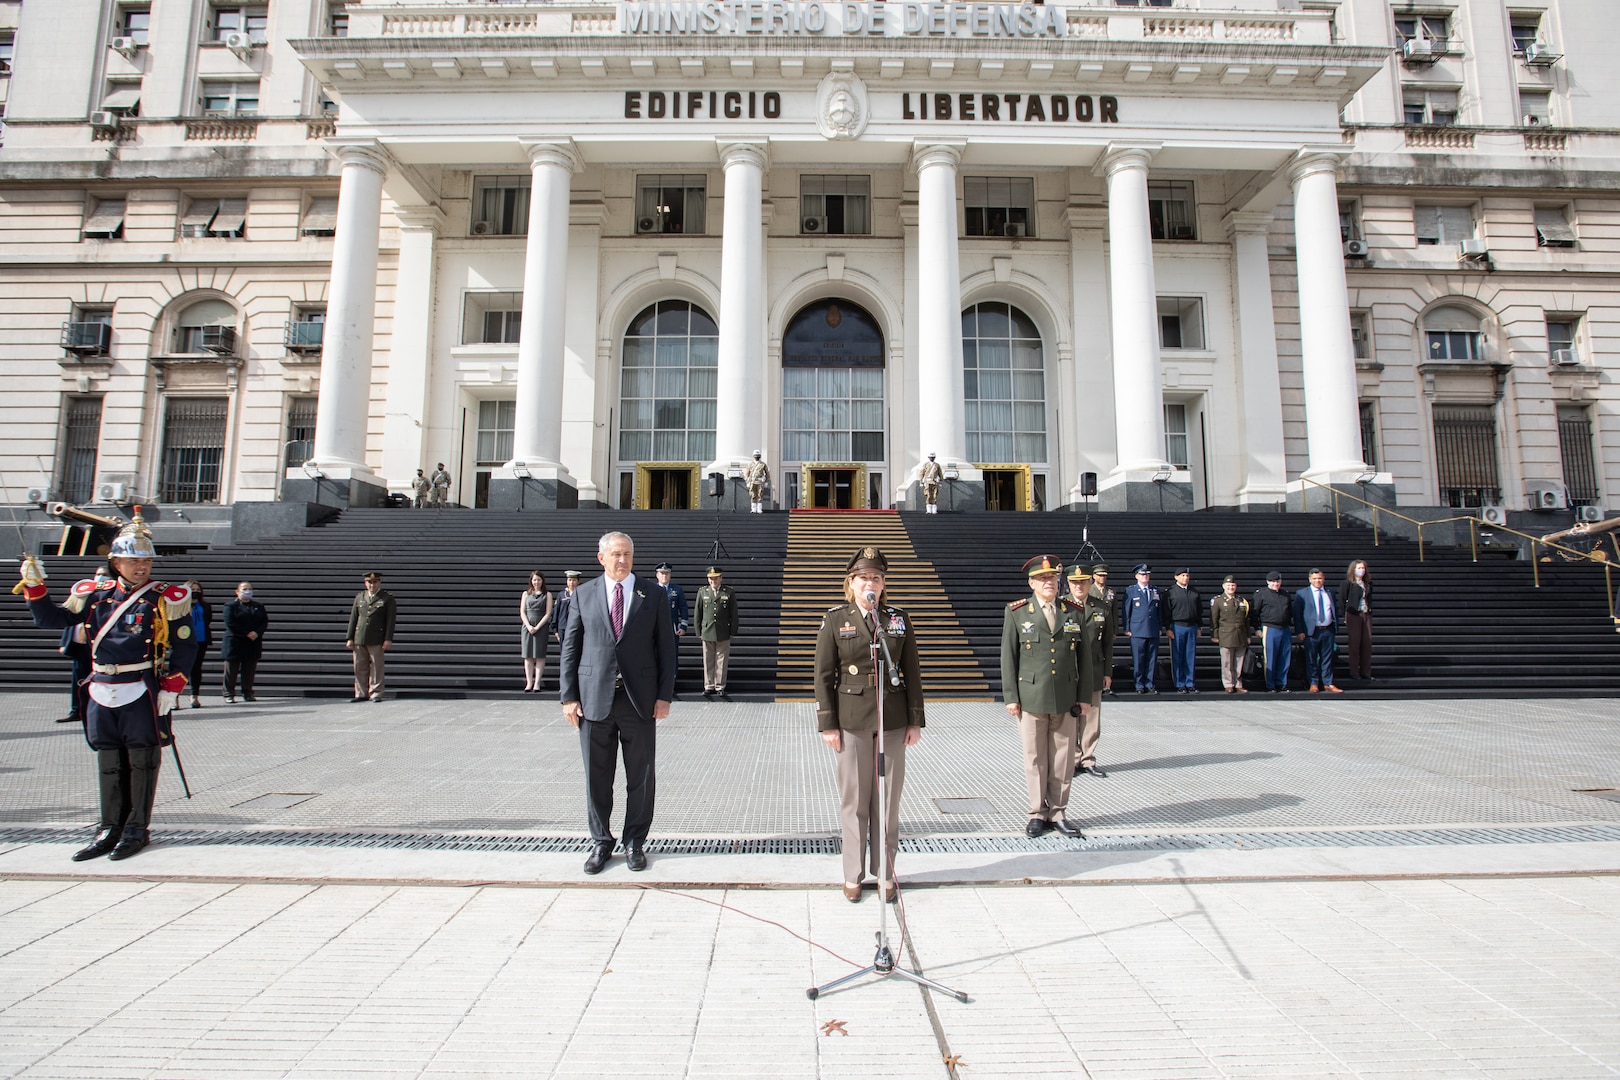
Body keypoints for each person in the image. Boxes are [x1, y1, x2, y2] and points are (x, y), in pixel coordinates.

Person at [16, 509, 197, 861]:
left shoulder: (165, 596)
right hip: (101, 683)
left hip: (141, 685)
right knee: (109, 758)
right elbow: (54, 619)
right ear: (115, 562)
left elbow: (186, 643)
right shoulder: (94, 594)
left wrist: (172, 686)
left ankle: (136, 828)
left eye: (145, 560)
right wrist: (36, 587)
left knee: (143, 758)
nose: (140, 566)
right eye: (132, 560)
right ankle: (108, 827)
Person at [559, 531, 678, 875]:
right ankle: (601, 841)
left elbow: (667, 649)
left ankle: (634, 842)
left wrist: (663, 696)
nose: (622, 560)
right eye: (615, 554)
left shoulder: (652, 594)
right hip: (594, 700)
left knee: (640, 777)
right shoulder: (583, 594)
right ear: (602, 558)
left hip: (638, 701)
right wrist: (568, 696)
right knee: (597, 776)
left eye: (627, 554)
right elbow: (570, 648)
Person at [814, 546, 925, 903]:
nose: (870, 583)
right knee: (855, 802)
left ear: (883, 583)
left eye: (876, 577)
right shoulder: (835, 619)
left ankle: (886, 872)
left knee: (888, 801)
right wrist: (828, 724)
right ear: (851, 583)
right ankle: (853, 874)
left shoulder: (897, 618)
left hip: (891, 720)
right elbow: (823, 675)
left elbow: (912, 671)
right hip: (852, 721)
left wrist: (915, 719)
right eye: (863, 578)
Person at [1002, 555, 1084, 840]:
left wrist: (1084, 696)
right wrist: (1011, 696)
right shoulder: (1017, 612)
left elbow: (1083, 659)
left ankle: (1058, 811)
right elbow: (1008, 657)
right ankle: (1037, 812)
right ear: (1031, 583)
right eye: (1042, 579)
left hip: (1065, 695)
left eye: (1052, 578)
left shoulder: (1072, 610)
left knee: (1062, 758)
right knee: (1035, 757)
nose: (1049, 583)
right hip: (1031, 696)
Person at [1068, 563, 1115, 778]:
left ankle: (1087, 759)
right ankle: (1072, 758)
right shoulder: (1061, 607)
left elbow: (1107, 644)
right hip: (1069, 671)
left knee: (1091, 717)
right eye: (1075, 582)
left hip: (1094, 669)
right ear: (1068, 583)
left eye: (1083, 582)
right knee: (1069, 718)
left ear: (1090, 582)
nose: (1079, 586)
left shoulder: (1101, 608)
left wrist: (1107, 672)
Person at [345, 571, 396, 702]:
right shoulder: (360, 597)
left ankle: (376, 693)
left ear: (379, 583)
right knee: (359, 666)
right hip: (360, 636)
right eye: (370, 582)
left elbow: (390, 620)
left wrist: (388, 639)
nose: (372, 585)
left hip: (376, 637)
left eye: (375, 582)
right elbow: (354, 618)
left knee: (376, 666)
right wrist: (350, 637)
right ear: (365, 583)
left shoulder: (387, 598)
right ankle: (361, 693)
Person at [1294, 567, 1343, 693]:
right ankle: (1313, 682)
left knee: (1327, 658)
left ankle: (1328, 682)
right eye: (1315, 578)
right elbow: (1297, 614)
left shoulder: (1329, 592)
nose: (1317, 581)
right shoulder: (1302, 593)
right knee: (1311, 658)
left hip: (1327, 630)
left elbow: (1333, 610)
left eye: (1320, 578)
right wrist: (1299, 631)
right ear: (1310, 579)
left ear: (1324, 579)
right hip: (1311, 632)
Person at [695, 565, 738, 698]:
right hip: (707, 630)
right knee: (708, 659)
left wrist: (733, 630)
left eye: (716, 578)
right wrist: (698, 630)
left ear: (721, 578)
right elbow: (698, 613)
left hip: (723, 630)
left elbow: (734, 613)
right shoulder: (702, 592)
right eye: (711, 578)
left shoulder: (728, 592)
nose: (713, 581)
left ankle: (720, 685)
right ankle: (709, 685)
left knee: (721, 659)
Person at [222, 580, 268, 703]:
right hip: (235, 641)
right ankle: (228, 693)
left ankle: (247, 692)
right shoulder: (230, 606)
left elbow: (264, 622)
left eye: (250, 589)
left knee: (249, 670)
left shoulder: (258, 606)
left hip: (253, 642)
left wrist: (257, 633)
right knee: (231, 670)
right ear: (237, 592)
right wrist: (246, 633)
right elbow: (230, 623)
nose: (247, 591)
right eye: (244, 589)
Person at [1123, 563, 1163, 693]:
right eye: (1142, 574)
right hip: (1137, 629)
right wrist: (1127, 627)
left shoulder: (1155, 590)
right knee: (1139, 659)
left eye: (1147, 574)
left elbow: (1159, 611)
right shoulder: (1131, 591)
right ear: (1136, 576)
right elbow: (1126, 611)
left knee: (1152, 659)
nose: (1145, 576)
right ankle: (1139, 684)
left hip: (1152, 629)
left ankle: (1150, 683)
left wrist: (1160, 627)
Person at [1209, 575, 1252, 693]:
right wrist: (1214, 634)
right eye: (1228, 585)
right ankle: (1228, 684)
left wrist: (1248, 635)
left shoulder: (1242, 601)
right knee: (1227, 662)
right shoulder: (1218, 601)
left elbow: (1246, 620)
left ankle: (1238, 683)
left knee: (1239, 662)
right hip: (1226, 635)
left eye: (1233, 585)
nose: (1231, 587)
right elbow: (1214, 619)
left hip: (1240, 635)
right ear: (1223, 586)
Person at [1254, 571, 1293, 692]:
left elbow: (1290, 611)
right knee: (1270, 657)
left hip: (1284, 629)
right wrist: (1256, 628)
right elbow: (1255, 613)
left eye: (1277, 581)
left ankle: (1282, 683)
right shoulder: (1261, 594)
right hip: (1270, 628)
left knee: (1284, 657)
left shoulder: (1285, 594)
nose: (1275, 583)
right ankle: (1270, 684)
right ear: (1268, 582)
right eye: (1273, 581)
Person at [1165, 567, 1202, 693]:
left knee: (1190, 656)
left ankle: (1190, 682)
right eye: (1182, 575)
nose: (1185, 578)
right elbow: (1166, 611)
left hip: (1191, 626)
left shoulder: (1194, 592)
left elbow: (1199, 611)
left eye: (1187, 576)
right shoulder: (1170, 592)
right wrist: (1168, 628)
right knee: (1178, 655)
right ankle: (1179, 683)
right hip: (1177, 626)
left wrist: (1199, 627)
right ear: (1176, 577)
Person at [1339, 560, 1373, 681]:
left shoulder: (1367, 584)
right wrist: (1344, 615)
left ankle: (1366, 672)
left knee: (1366, 643)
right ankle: (1354, 672)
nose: (1362, 570)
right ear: (1353, 569)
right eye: (1359, 568)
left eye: (1363, 568)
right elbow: (1342, 600)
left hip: (1365, 613)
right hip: (1353, 614)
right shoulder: (1347, 583)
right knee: (1354, 644)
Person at [520, 570, 553, 693]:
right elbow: (522, 611)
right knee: (528, 656)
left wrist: (538, 627)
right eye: (534, 579)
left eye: (539, 579)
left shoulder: (547, 594)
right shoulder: (525, 594)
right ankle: (529, 682)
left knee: (539, 656)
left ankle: (537, 683)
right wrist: (528, 625)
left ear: (542, 581)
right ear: (531, 581)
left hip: (541, 627)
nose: (536, 582)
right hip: (527, 626)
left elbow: (548, 613)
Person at [183, 580, 212, 708]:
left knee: (196, 669)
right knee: (180, 669)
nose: (195, 592)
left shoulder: (204, 605)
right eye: (192, 589)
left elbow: (208, 619)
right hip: (183, 641)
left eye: (197, 590)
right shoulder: (180, 605)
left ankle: (194, 696)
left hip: (200, 640)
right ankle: (175, 697)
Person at [57, 622, 90, 724]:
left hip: (94, 646)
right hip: (78, 647)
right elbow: (70, 625)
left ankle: (93, 711)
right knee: (78, 681)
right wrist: (64, 643)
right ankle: (76, 711)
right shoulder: (76, 609)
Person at [654, 562, 689, 638]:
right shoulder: (652, 590)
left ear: (670, 575)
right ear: (657, 575)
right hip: (655, 627)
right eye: (662, 573)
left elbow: (683, 608)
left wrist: (683, 626)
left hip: (672, 627)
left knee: (672, 649)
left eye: (667, 573)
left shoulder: (677, 590)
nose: (664, 576)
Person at [554, 569, 581, 647]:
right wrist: (555, 630)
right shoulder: (562, 595)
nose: (571, 583)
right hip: (563, 627)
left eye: (574, 580)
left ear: (578, 581)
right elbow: (556, 612)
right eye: (569, 580)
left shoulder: (581, 594)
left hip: (577, 627)